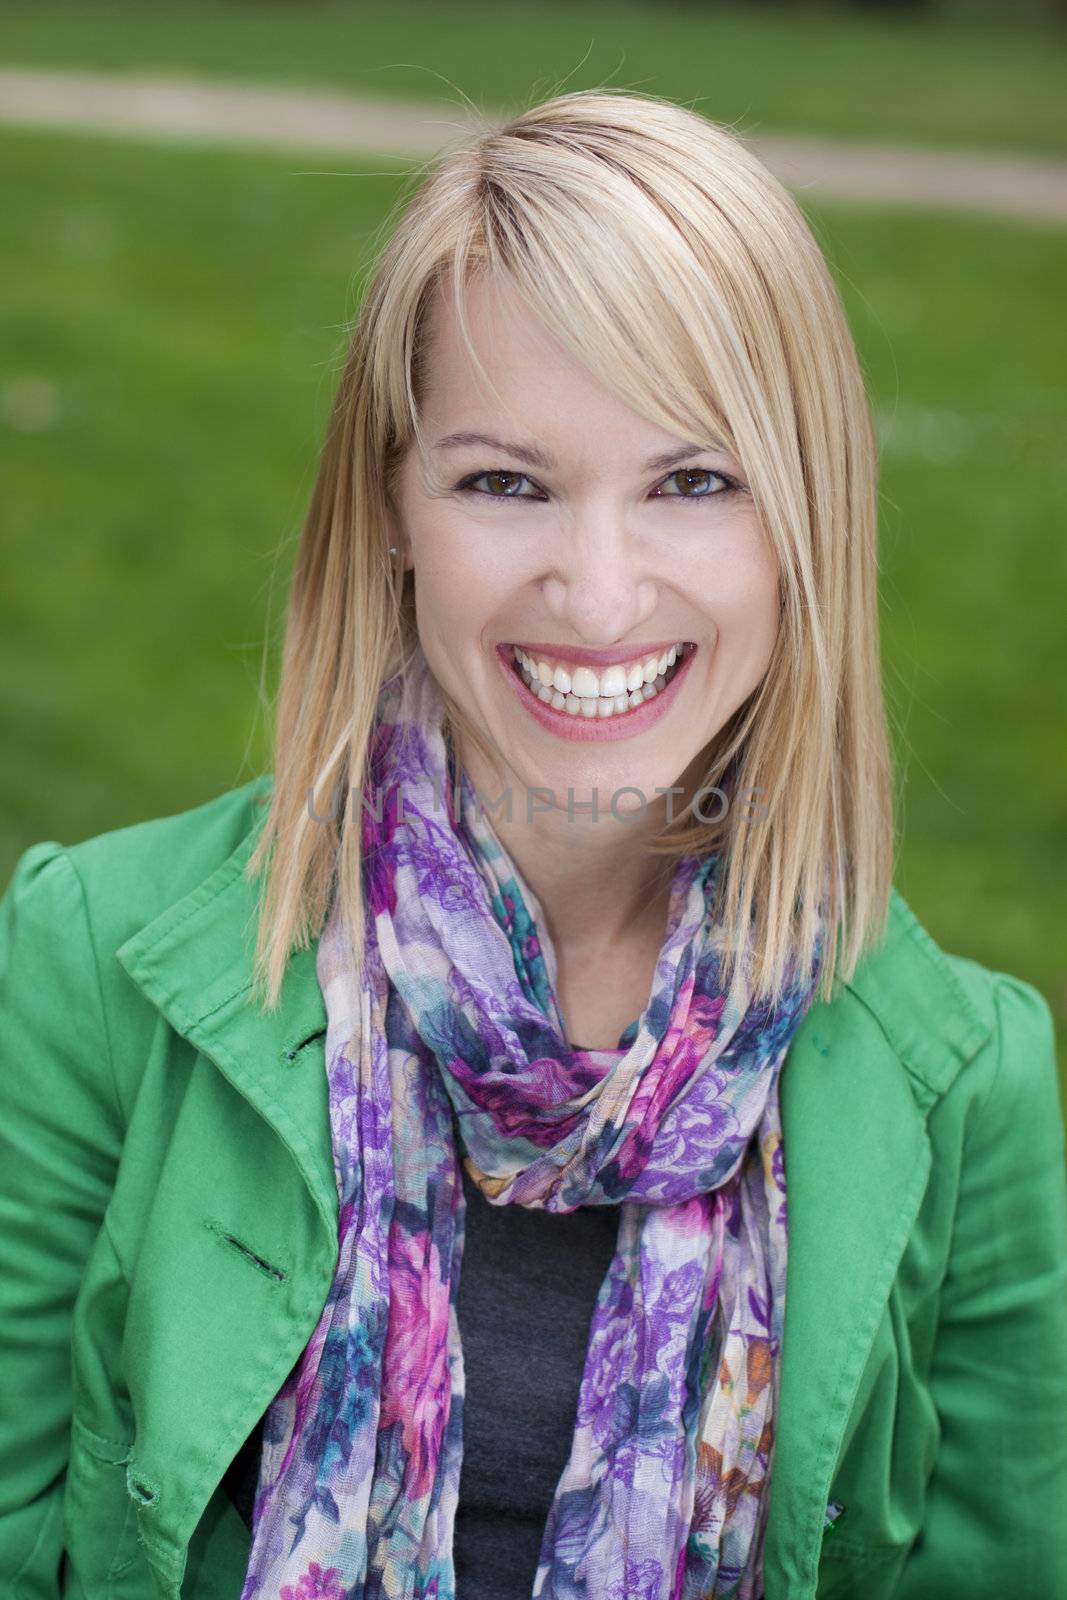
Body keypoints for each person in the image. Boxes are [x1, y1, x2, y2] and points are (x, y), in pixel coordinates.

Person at [1, 89, 1065, 1600]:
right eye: (506, 482)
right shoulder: (85, 966)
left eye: (694, 482)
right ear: (395, 507)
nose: (601, 591)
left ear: (805, 518)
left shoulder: (966, 1088)